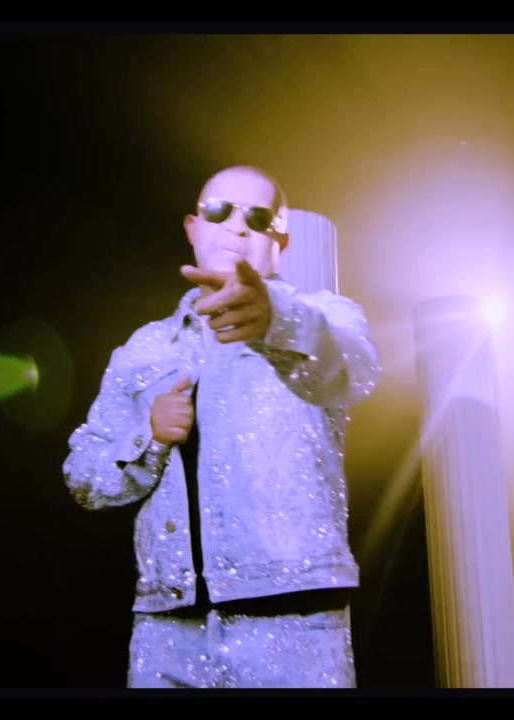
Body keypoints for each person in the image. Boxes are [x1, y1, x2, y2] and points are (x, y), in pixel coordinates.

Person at [62, 165, 381, 688]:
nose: (236, 225)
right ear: (193, 227)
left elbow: (356, 369)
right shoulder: (144, 347)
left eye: (257, 217)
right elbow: (83, 477)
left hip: (293, 626)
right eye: (219, 211)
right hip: (166, 631)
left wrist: (276, 320)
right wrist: (148, 437)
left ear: (280, 241)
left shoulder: (323, 315)